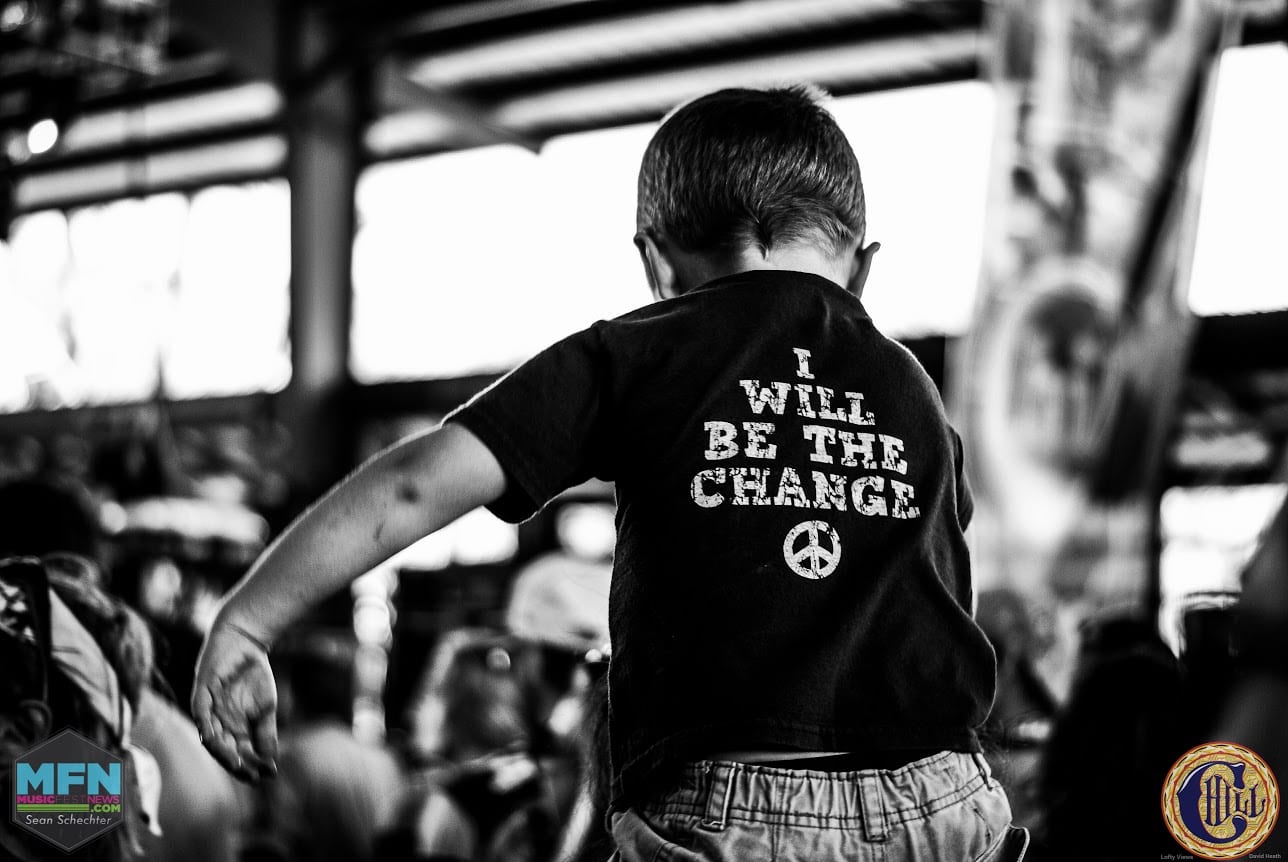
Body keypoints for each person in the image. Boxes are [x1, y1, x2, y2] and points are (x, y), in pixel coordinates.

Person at [193, 85, 1021, 860]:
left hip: (739, 809)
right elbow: (943, 584)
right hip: (945, 797)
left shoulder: (642, 350)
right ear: (863, 269)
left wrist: (249, 621)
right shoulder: (914, 390)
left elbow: (415, 485)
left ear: (656, 265)